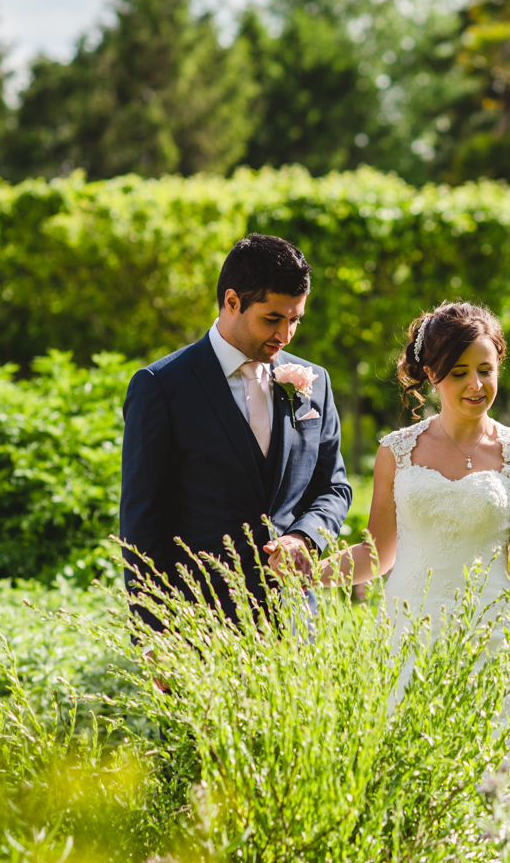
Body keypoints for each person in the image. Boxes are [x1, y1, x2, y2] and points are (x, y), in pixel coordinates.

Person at [314, 302, 510, 754]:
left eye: (485, 369)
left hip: (488, 642)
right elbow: (379, 553)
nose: (475, 384)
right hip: (406, 639)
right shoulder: (396, 452)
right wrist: (311, 572)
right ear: (432, 374)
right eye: (459, 372)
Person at [119, 234, 352, 625]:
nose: (285, 335)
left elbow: (334, 486)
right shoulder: (160, 386)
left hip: (295, 622)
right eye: (272, 319)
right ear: (232, 302)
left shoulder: (316, 382)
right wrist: (155, 635)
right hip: (201, 626)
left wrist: (305, 536)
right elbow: (142, 521)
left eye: (295, 319)